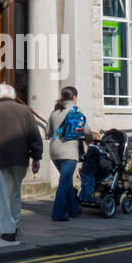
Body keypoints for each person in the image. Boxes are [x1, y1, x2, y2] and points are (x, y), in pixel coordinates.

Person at [0, 82, 44, 241]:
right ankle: (14, 224)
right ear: (13, 96)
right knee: (15, 193)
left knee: (2, 195)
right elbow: (35, 136)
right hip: (20, 158)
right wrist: (36, 157)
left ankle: (8, 230)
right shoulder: (25, 111)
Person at [47, 85, 92, 221]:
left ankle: (73, 208)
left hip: (54, 152)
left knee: (66, 181)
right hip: (69, 152)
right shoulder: (76, 110)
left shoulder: (54, 112)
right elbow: (86, 131)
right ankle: (58, 213)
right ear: (74, 97)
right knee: (64, 182)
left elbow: (48, 132)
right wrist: (90, 140)